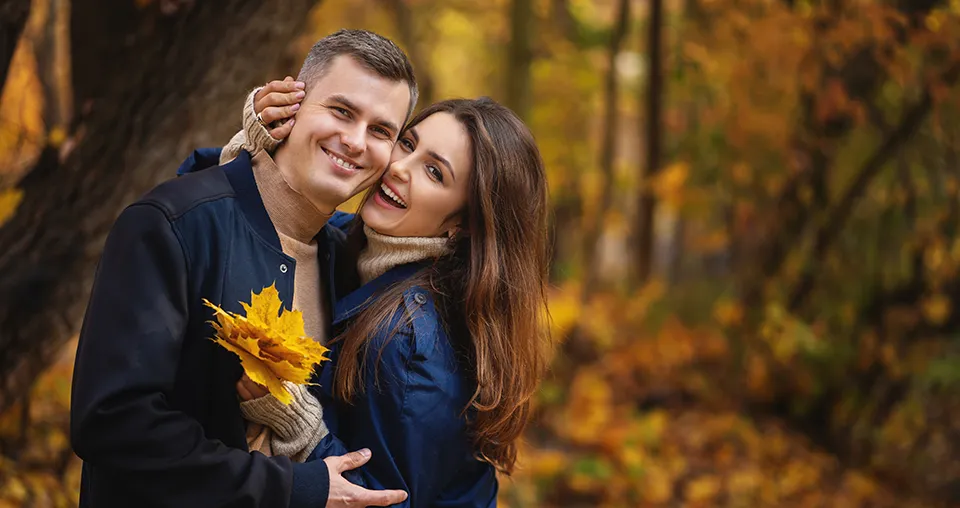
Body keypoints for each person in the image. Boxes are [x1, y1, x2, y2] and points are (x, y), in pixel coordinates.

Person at [69, 29, 416, 508]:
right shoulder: (172, 224)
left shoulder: (345, 261)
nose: (355, 141)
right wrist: (295, 488)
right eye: (341, 111)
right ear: (292, 102)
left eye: (380, 131)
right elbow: (112, 422)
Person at [188, 84, 553, 506]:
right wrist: (261, 146)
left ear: (466, 224)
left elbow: (390, 500)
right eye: (408, 144)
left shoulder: (407, 341)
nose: (399, 167)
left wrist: (301, 426)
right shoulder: (356, 245)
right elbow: (193, 215)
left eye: (434, 172)